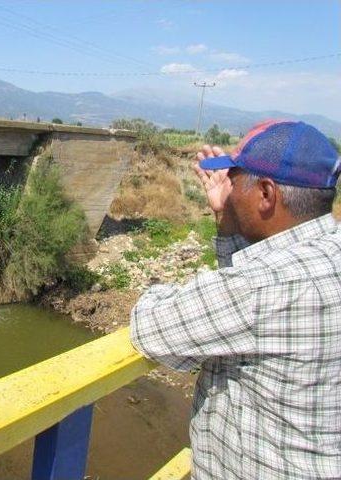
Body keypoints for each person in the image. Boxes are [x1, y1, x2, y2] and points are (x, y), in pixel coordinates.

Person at [129, 119, 341, 479]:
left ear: (266, 194)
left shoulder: (264, 286)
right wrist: (227, 220)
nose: (226, 188)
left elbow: (149, 326)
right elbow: (246, 300)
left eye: (233, 179)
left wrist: (165, 291)